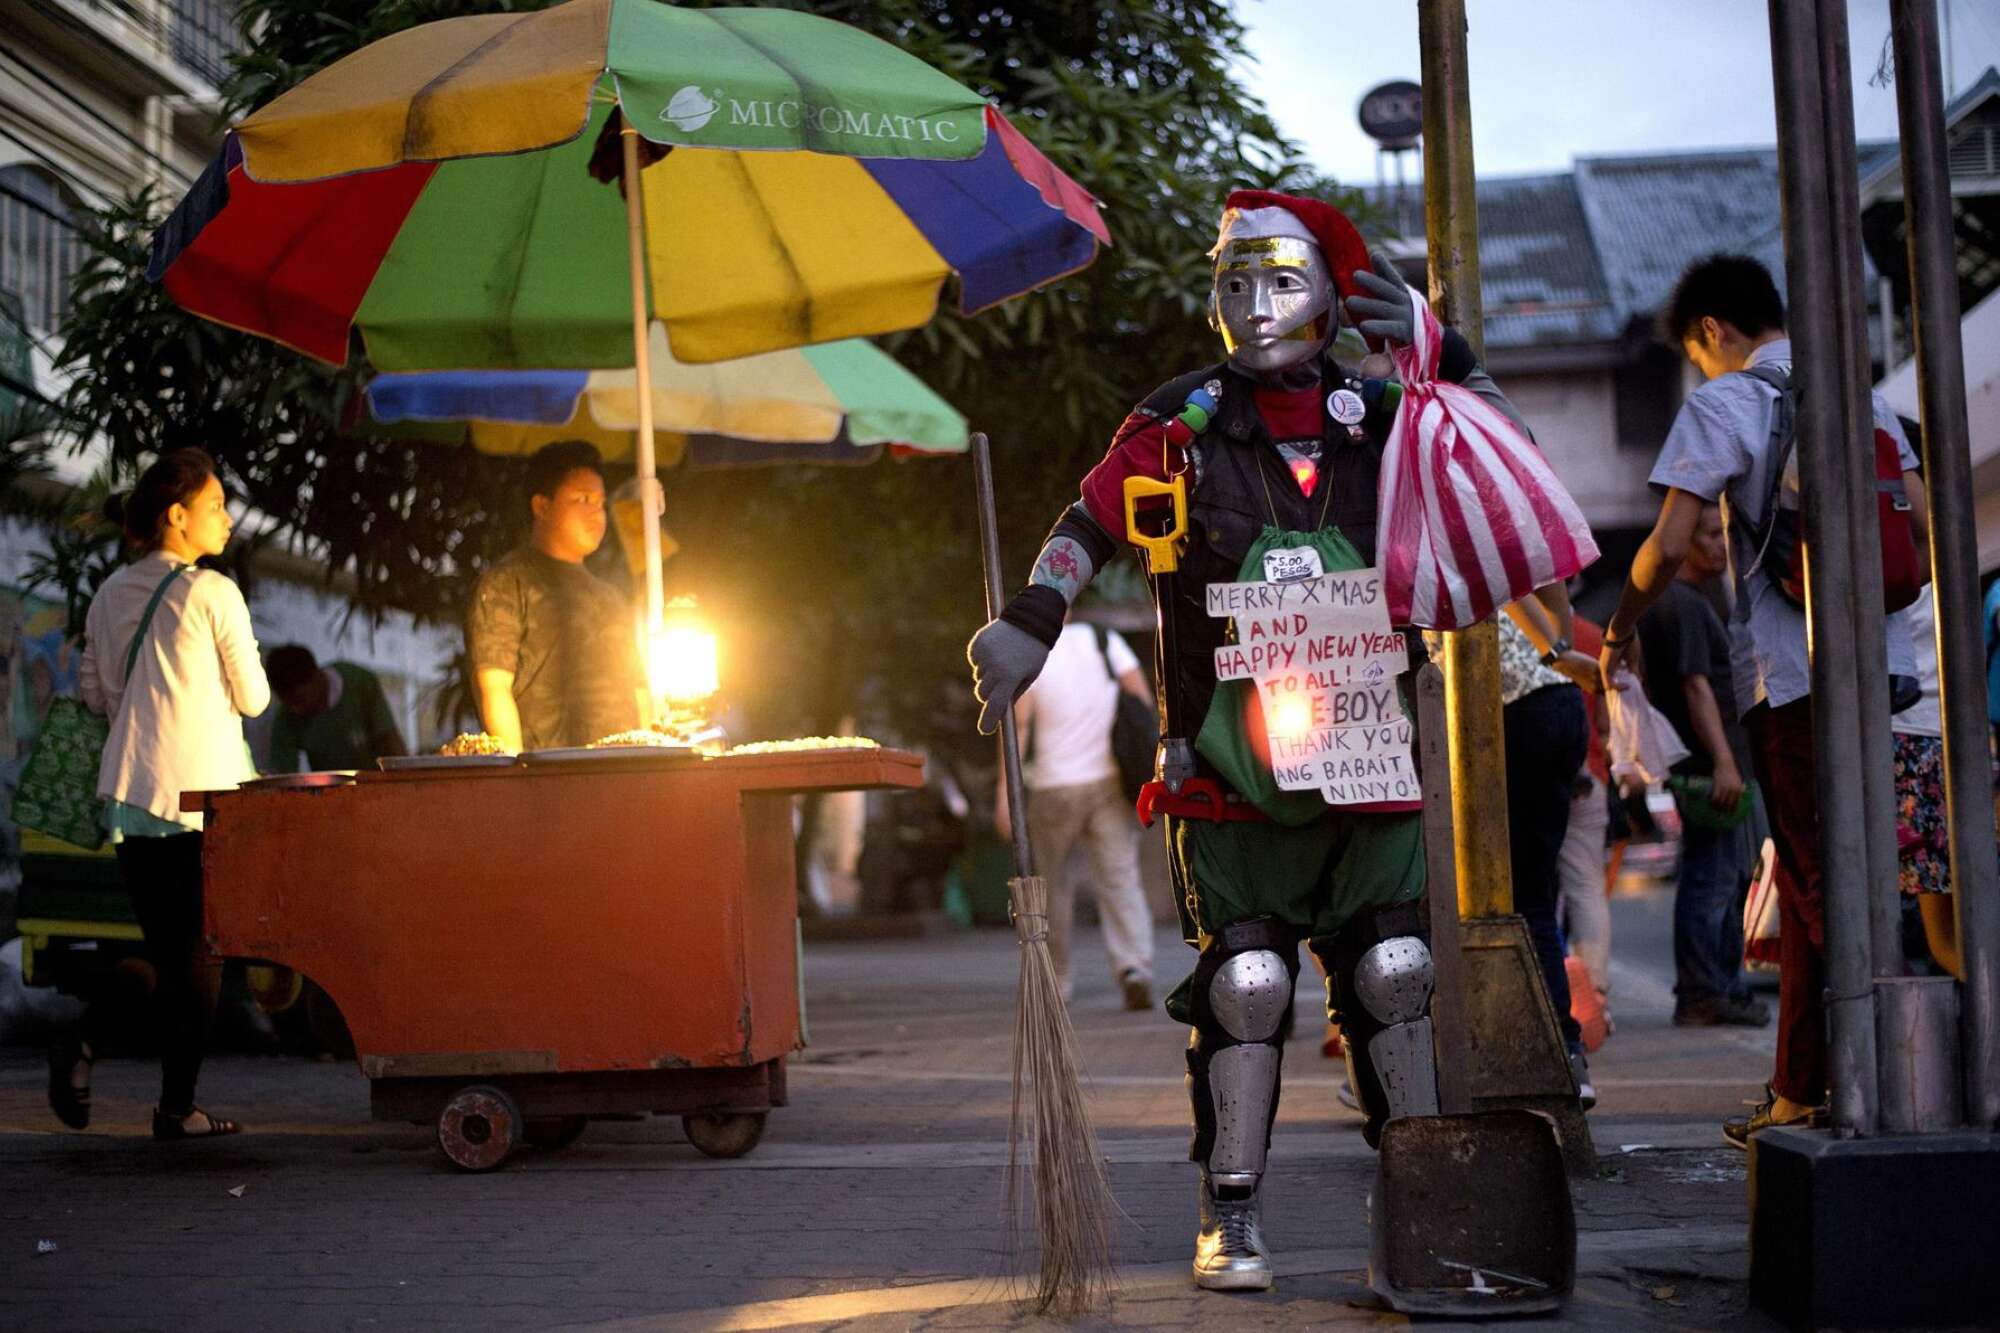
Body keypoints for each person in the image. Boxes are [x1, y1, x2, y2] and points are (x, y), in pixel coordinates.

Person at [967, 190, 1539, 1291]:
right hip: (1225, 765)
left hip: (1369, 764)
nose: (1253, 305)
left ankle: (1419, 1204)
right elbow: (1086, 523)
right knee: (1248, 983)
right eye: (1232, 281)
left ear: (1330, 294)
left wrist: (1448, 356)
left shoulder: (1387, 412)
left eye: (1279, 280)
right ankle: (1228, 1209)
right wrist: (1031, 618)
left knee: (1395, 968)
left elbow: (1502, 465)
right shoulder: (1179, 423)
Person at [1598, 254, 1928, 1149]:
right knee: (1817, 867)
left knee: (1821, 877)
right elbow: (1924, 537)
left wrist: (1621, 623)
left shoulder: (1727, 401)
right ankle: (1797, 1088)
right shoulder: (1868, 403)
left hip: (1790, 678)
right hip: (1884, 667)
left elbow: (1667, 546)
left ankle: (1890, 1070)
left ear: (1711, 331)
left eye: (1697, 353)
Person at [50, 448, 269, 1140]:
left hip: (129, 797)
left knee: (169, 953)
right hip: (201, 798)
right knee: (199, 958)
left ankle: (87, 1038)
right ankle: (177, 1108)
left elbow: (91, 694)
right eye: (215, 506)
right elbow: (256, 698)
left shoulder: (110, 593)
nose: (228, 519)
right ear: (178, 516)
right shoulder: (212, 592)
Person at [1635, 503, 1768, 1027]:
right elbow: (1695, 686)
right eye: (1710, 534)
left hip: (1712, 766)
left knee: (1724, 877)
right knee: (1712, 881)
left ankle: (1719, 989)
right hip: (1711, 771)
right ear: (1683, 541)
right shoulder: (1681, 603)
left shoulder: (1683, 600)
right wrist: (1724, 762)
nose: (1720, 544)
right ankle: (1704, 992)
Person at [997, 620, 1156, 1009]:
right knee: (1119, 876)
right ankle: (1133, 968)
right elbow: (1141, 697)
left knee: (1053, 885)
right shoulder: (1104, 639)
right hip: (1107, 781)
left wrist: (1005, 794)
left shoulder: (1031, 652)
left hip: (1054, 786)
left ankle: (1057, 980)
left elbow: (1019, 724)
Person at [467, 441, 646, 751]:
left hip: (626, 774)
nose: (597, 514)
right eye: (583, 499)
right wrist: (517, 773)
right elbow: (494, 687)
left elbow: (641, 693)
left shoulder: (611, 598)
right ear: (542, 506)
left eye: (601, 503)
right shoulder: (507, 582)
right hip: (549, 778)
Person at [1891, 585, 1962, 978]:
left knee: (1946, 936)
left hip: (1915, 738)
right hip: (1940, 737)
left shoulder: (1900, 570)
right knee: (1948, 930)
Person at [1556, 614, 1614, 1037]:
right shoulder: (1595, 637)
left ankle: (1548, 989)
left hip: (1531, 775)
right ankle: (1595, 995)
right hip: (1590, 773)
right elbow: (1612, 721)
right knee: (1586, 888)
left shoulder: (1512, 625)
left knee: (1533, 894)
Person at [262, 645, 407, 772]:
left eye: (300, 699)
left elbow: (390, 741)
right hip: (330, 795)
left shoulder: (360, 683)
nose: (297, 709)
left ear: (316, 677)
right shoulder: (287, 715)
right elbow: (282, 772)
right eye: (289, 704)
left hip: (377, 789)